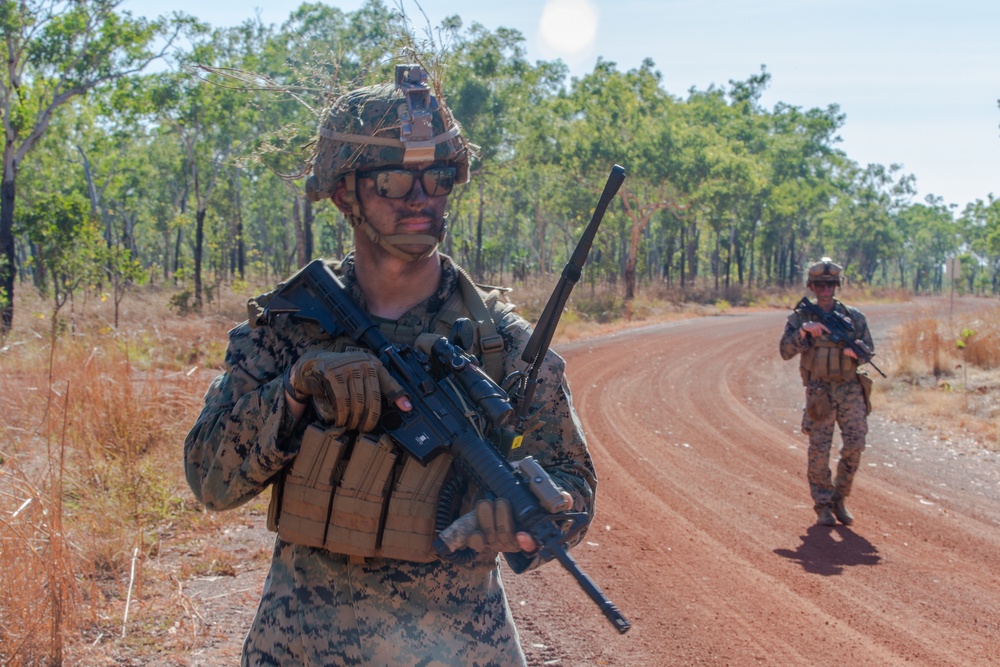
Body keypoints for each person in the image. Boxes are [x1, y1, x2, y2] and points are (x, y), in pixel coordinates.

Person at [184, 64, 597, 666]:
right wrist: (297, 391)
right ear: (345, 192)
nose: (422, 200)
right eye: (395, 184)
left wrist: (535, 513)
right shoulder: (290, 328)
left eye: (437, 179)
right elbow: (209, 480)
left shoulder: (502, 344)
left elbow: (573, 487)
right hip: (300, 644)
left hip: (458, 648)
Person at [779, 257, 874, 527]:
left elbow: (868, 351)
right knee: (819, 450)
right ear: (811, 286)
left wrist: (855, 352)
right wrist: (803, 333)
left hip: (849, 388)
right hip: (819, 390)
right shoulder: (801, 318)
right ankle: (822, 504)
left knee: (855, 444)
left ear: (837, 285)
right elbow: (785, 351)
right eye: (820, 284)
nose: (825, 289)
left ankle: (838, 497)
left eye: (831, 283)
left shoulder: (854, 318)